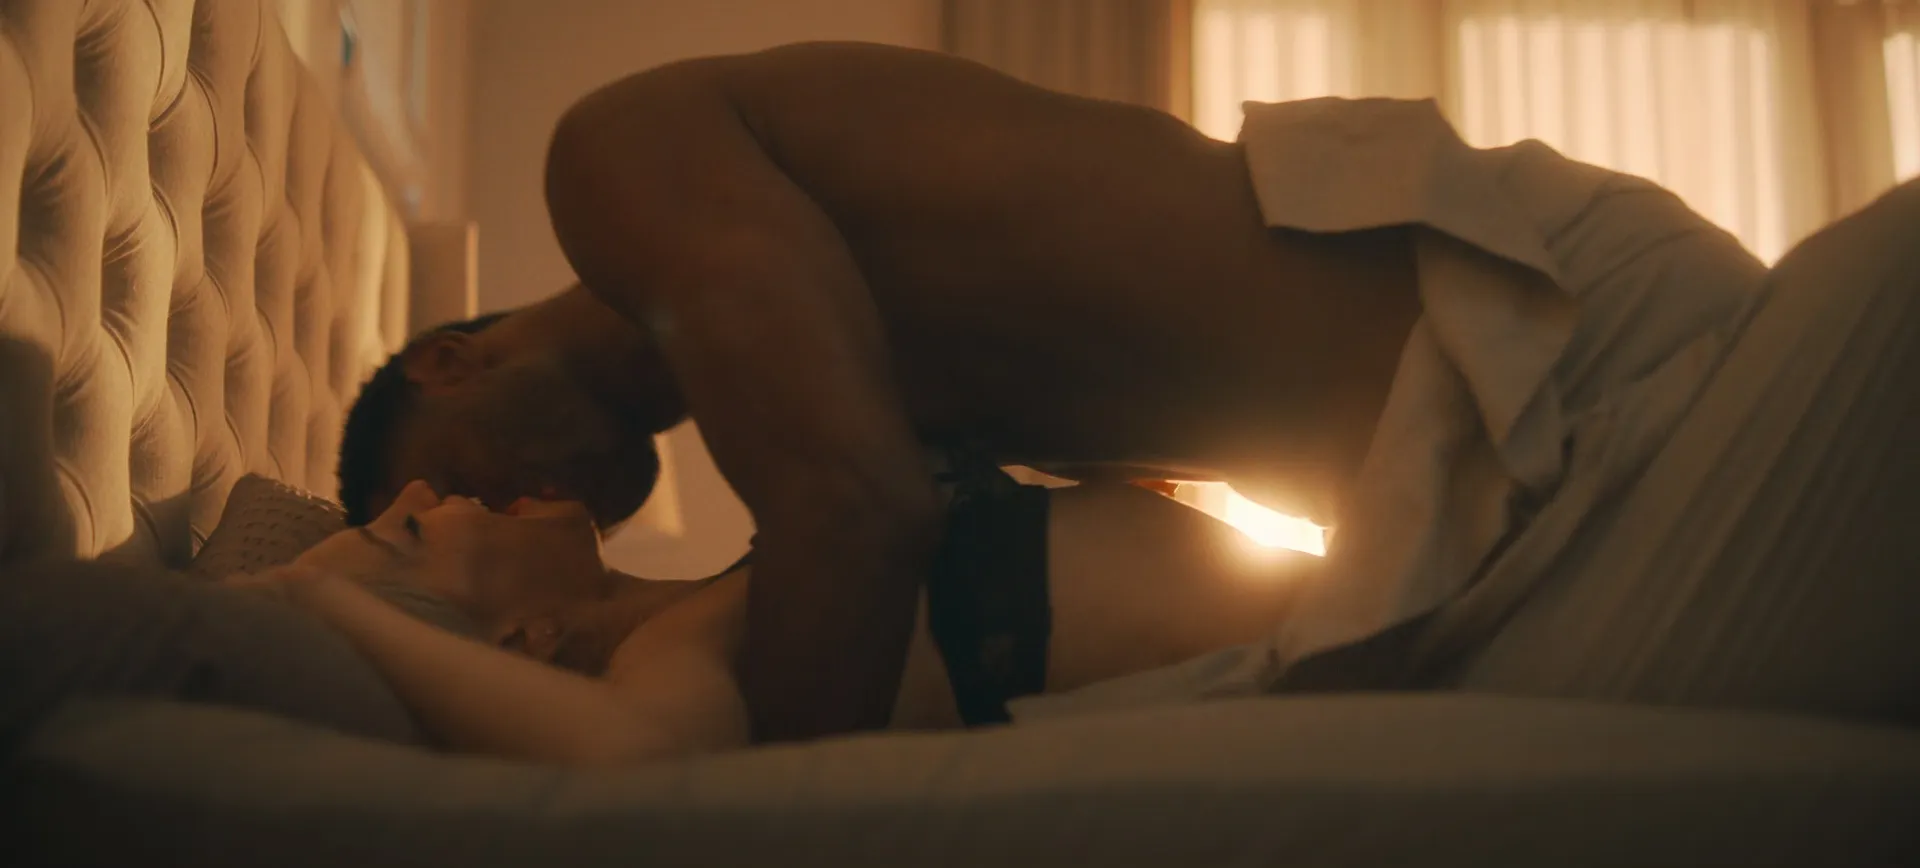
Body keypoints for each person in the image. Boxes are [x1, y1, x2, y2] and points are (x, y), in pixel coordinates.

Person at [338, 42, 1764, 742]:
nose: (509, 505)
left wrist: (739, 803)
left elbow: (862, 516)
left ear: (448, 361)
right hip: (1460, 506)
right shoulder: (801, 372)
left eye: (451, 479)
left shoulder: (614, 162)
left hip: (1527, 320)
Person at [246, 476, 1303, 761]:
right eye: (410, 532)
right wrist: (316, 597)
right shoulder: (673, 648)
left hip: (1327, 605)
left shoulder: (719, 593)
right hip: (1326, 666)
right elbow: (639, 752)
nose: (424, 488)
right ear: (528, 638)